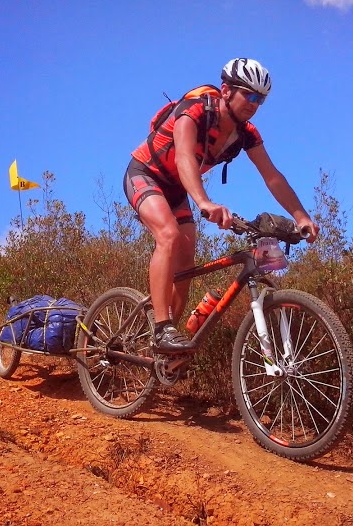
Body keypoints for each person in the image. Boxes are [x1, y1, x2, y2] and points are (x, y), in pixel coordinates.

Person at [123, 58, 320, 354]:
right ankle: (162, 328)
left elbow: (272, 176)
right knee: (169, 235)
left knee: (186, 262)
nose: (254, 104)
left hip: (177, 189)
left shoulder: (247, 134)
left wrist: (301, 216)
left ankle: (167, 347)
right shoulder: (194, 111)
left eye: (260, 99)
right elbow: (184, 157)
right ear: (226, 90)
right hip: (146, 174)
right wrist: (204, 202)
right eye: (248, 95)